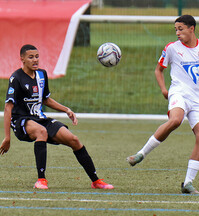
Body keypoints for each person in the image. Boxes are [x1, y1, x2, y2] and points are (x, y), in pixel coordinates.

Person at [126, 15, 199, 194]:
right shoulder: (171, 49)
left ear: (191, 29)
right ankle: (141, 154)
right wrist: (164, 89)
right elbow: (158, 70)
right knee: (176, 120)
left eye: (181, 29)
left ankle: (188, 183)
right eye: (176, 29)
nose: (177, 33)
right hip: (179, 94)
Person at [0, 44, 114, 190]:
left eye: (37, 56)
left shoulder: (42, 74)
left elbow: (46, 99)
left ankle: (96, 181)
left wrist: (66, 110)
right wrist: (7, 137)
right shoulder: (16, 78)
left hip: (40, 118)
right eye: (31, 57)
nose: (35, 60)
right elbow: (8, 107)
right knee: (41, 132)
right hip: (21, 120)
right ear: (22, 59)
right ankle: (41, 180)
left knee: (74, 140)